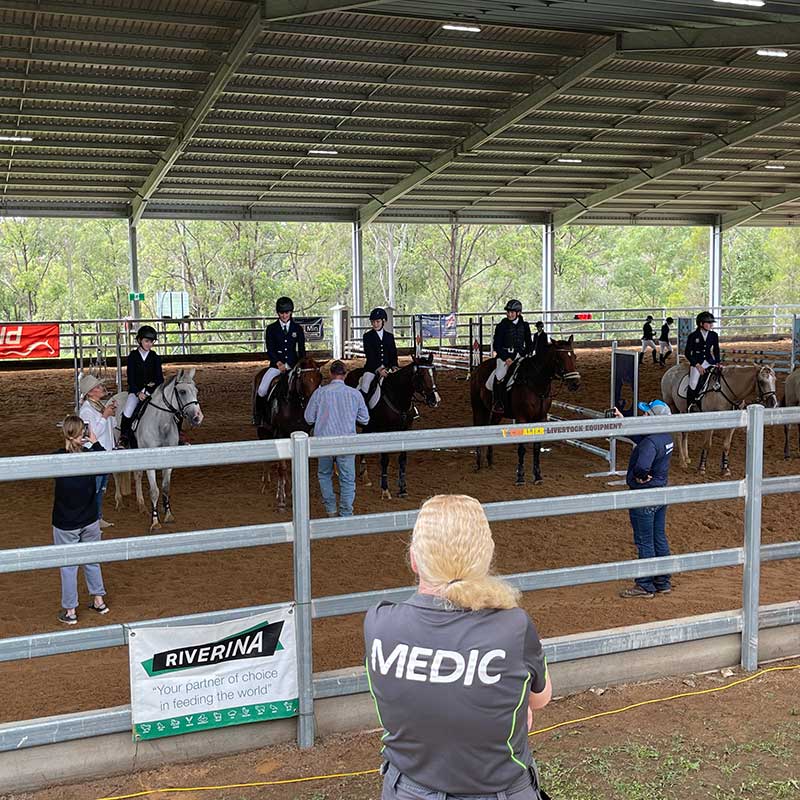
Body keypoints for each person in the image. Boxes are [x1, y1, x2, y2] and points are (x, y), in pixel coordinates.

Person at [364, 494, 551, 800]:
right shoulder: (513, 626)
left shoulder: (379, 623)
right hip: (497, 791)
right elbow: (540, 699)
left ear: (414, 558)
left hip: (406, 790)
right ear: (486, 558)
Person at [53, 416, 110, 624]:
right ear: (82, 434)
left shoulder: (56, 457)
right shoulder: (91, 455)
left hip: (65, 521)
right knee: (92, 559)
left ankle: (70, 612)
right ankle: (99, 600)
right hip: (90, 518)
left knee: (68, 566)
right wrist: (94, 442)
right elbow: (105, 461)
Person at [616, 400, 674, 599]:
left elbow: (642, 465)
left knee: (644, 540)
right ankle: (663, 580)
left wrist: (640, 475)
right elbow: (642, 440)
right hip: (660, 492)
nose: (643, 416)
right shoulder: (665, 437)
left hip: (645, 494)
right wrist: (624, 422)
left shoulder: (650, 443)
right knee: (659, 537)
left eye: (646, 414)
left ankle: (644, 585)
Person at [304, 360, 369, 517]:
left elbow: (308, 419)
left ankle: (330, 509)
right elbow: (365, 419)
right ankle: (346, 511)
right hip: (347, 441)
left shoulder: (319, 393)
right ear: (345, 374)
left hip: (324, 441)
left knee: (324, 474)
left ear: (330, 374)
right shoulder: (355, 394)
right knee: (347, 478)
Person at [78, 374, 116, 528]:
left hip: (103, 450)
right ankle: (91, 518)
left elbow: (111, 426)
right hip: (94, 452)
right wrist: (105, 416)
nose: (102, 388)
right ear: (91, 392)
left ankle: (97, 517)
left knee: (101, 487)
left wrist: (110, 413)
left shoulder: (98, 405)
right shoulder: (86, 410)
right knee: (95, 487)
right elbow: (92, 434)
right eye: (98, 387)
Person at [119, 324, 164, 447]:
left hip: (152, 391)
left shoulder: (155, 357)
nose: (149, 344)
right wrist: (138, 392)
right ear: (140, 340)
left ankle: (177, 433)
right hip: (136, 391)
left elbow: (159, 379)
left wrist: (149, 391)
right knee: (128, 410)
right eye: (147, 341)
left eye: (151, 342)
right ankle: (124, 436)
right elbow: (131, 378)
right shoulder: (133, 357)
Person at [487, 299, 533, 414]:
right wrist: (506, 358)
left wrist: (525, 354)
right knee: (499, 376)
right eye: (508, 312)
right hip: (504, 356)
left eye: (512, 312)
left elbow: (529, 343)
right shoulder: (502, 326)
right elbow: (496, 345)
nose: (509, 314)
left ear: (518, 313)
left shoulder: (525, 326)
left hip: (520, 355)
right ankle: (498, 402)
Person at [257, 296, 307, 399]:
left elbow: (301, 350)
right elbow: (270, 349)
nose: (284, 315)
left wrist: (299, 364)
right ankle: (259, 414)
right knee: (261, 390)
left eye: (287, 313)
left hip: (294, 366)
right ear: (278, 313)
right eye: (281, 313)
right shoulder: (271, 329)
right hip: (276, 366)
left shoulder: (297, 329)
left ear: (291, 312)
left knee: (314, 387)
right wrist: (278, 363)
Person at [358, 307, 399, 404]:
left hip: (388, 368)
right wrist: (379, 369)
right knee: (365, 385)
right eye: (373, 322)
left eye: (377, 321)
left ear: (383, 321)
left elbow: (393, 353)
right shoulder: (367, 336)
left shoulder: (389, 336)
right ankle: (363, 409)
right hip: (372, 369)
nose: (375, 324)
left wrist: (394, 366)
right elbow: (370, 355)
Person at [685, 311, 721, 411]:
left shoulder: (713, 335)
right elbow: (687, 353)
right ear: (701, 324)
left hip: (710, 361)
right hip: (697, 363)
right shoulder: (693, 336)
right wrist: (697, 365)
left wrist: (717, 362)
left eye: (711, 323)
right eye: (708, 323)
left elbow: (716, 349)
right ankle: (691, 405)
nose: (711, 325)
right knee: (693, 382)